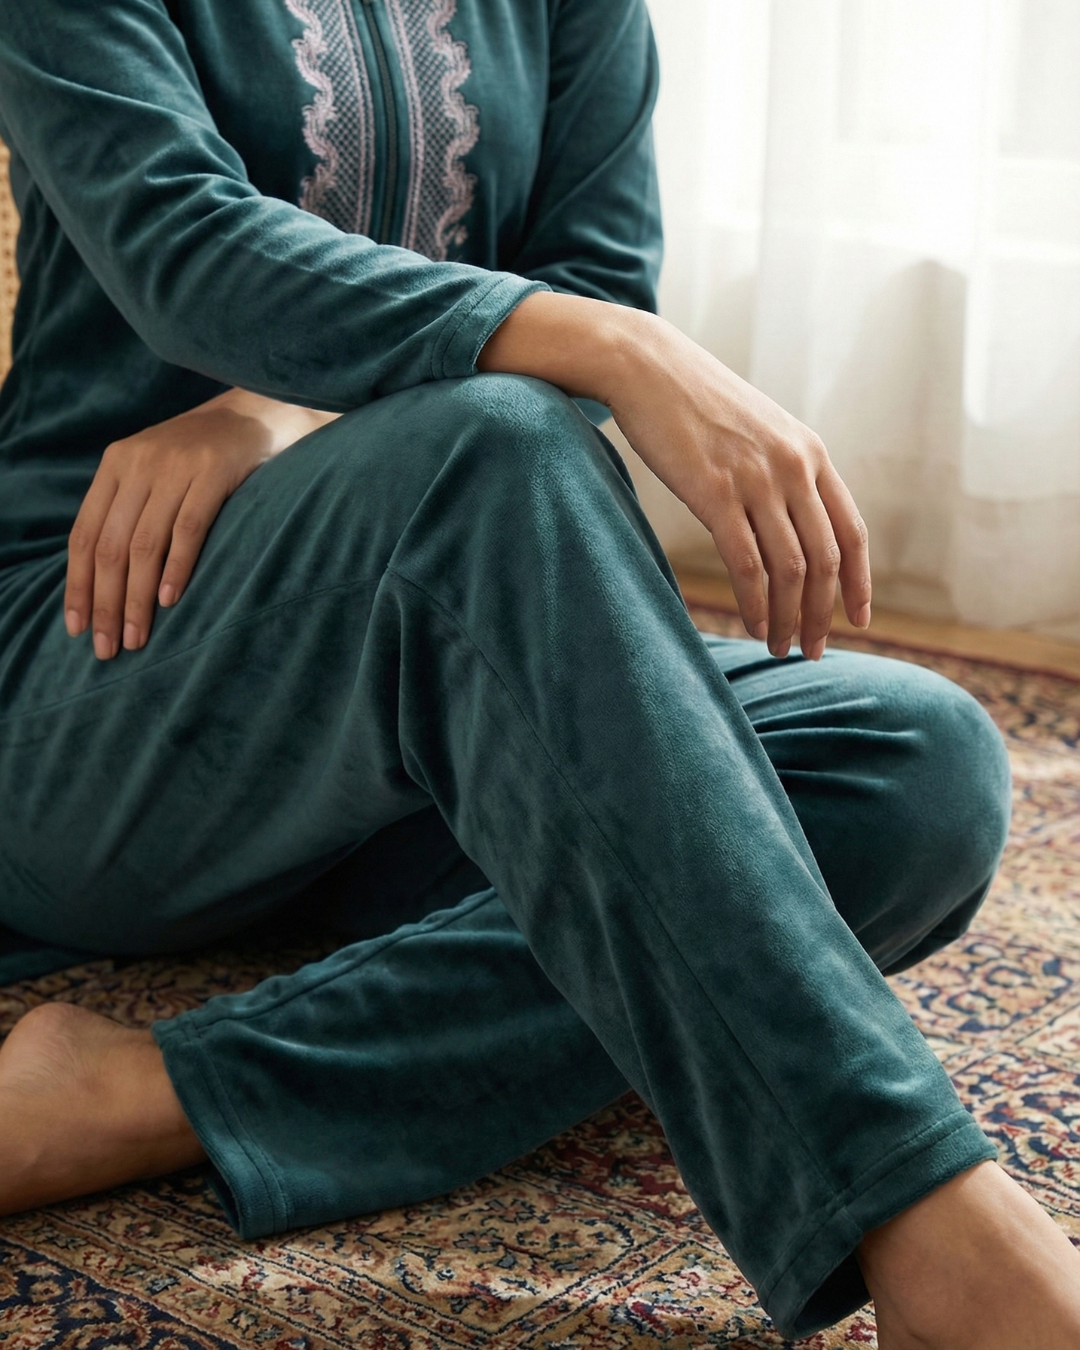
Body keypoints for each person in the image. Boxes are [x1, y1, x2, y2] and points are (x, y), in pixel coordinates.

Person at [0, 0, 1076, 1344]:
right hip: (93, 673)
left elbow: (591, 279)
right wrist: (621, 348)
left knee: (916, 765)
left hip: (401, 758)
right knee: (491, 446)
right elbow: (180, 246)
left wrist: (292, 406)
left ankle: (165, 1091)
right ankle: (925, 1215)